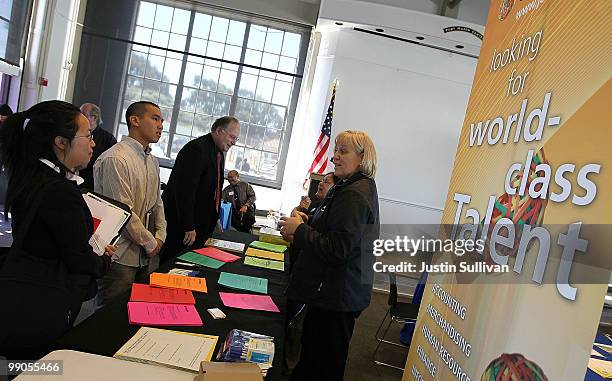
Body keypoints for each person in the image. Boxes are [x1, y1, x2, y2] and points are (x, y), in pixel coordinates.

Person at [0, 100, 114, 358]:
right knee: (35, 367)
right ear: (61, 142)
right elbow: (78, 258)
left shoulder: (32, 176)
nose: (93, 144)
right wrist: (104, 260)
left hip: (24, 297)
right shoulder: (60, 191)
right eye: (87, 136)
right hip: (42, 305)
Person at [279, 130, 380, 381]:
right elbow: (336, 226)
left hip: (336, 298)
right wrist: (309, 220)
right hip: (333, 295)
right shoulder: (350, 186)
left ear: (362, 157)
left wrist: (300, 231)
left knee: (322, 367)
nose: (334, 157)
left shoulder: (355, 194)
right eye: (335, 150)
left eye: (342, 151)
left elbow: (338, 248)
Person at [93, 101, 166, 309]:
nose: (160, 125)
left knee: (135, 313)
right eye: (155, 118)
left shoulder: (151, 160)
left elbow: (157, 202)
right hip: (120, 254)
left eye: (161, 120)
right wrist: (151, 243)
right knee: (110, 316)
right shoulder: (116, 158)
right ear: (134, 120)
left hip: (145, 253)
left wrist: (161, 235)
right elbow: (123, 212)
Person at [162, 116, 240, 261]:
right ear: (218, 131)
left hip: (202, 224)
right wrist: (188, 226)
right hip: (183, 226)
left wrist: (214, 217)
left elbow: (213, 190)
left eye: (236, 139)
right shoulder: (196, 149)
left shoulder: (218, 153)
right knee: (174, 265)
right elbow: (185, 192)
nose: (234, 142)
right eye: (232, 137)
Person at [79, 103, 117, 190]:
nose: (80, 117)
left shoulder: (108, 139)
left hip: (93, 185)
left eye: (83, 114)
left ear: (94, 118)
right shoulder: (75, 133)